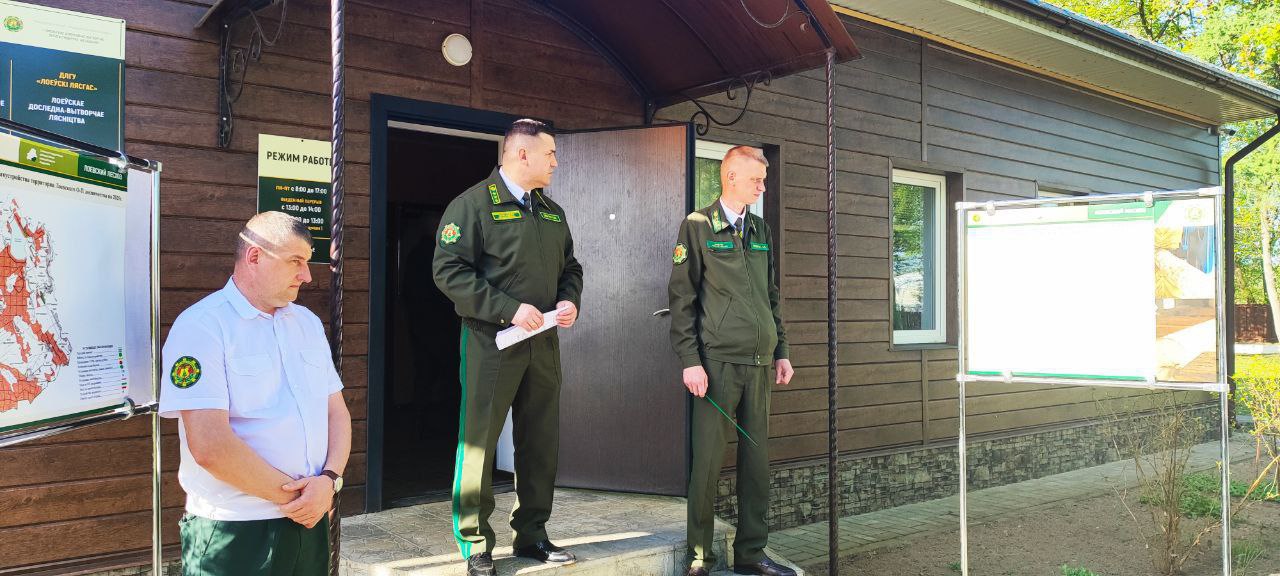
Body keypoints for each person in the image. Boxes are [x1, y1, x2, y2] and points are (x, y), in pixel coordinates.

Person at [160, 211, 352, 576]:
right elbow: (210, 446)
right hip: (235, 528)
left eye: (307, 262)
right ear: (254, 256)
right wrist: (301, 498)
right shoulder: (202, 327)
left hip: (307, 521)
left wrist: (329, 481)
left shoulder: (307, 324)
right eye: (295, 261)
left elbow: (336, 413)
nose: (306, 275)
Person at [432, 119, 584, 576]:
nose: (555, 162)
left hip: (543, 343)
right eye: (549, 153)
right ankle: (475, 542)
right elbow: (449, 272)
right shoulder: (473, 206)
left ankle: (532, 533)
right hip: (490, 342)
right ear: (521, 154)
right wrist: (508, 308)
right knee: (478, 442)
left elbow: (571, 267)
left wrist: (569, 300)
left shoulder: (552, 212)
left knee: (540, 440)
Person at [667, 146, 796, 576]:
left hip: (759, 364)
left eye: (763, 179)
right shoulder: (698, 226)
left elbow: (770, 295)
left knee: (756, 464)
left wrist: (781, 351)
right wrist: (690, 360)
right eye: (756, 179)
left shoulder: (760, 229)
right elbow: (682, 299)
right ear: (731, 177)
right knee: (706, 462)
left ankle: (751, 554)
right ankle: (699, 556)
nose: (762, 187)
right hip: (715, 365)